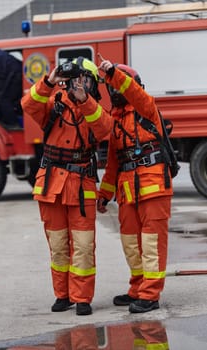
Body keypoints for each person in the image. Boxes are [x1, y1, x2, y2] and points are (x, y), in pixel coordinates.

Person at [21, 57, 112, 316]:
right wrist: (49, 81)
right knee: (58, 244)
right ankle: (63, 295)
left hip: (80, 185)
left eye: (85, 80)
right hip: (52, 185)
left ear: (92, 84)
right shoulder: (54, 103)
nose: (79, 84)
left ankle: (82, 298)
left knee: (83, 246)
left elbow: (104, 129)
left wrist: (84, 100)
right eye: (77, 79)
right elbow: (28, 104)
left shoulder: (93, 108)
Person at [97, 55, 173, 313]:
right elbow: (113, 164)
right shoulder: (115, 121)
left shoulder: (146, 108)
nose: (114, 91)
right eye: (111, 88)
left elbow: (135, 94)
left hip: (153, 187)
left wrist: (113, 72)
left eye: (117, 86)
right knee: (131, 243)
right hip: (128, 190)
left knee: (152, 244)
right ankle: (137, 288)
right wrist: (104, 195)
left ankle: (150, 295)